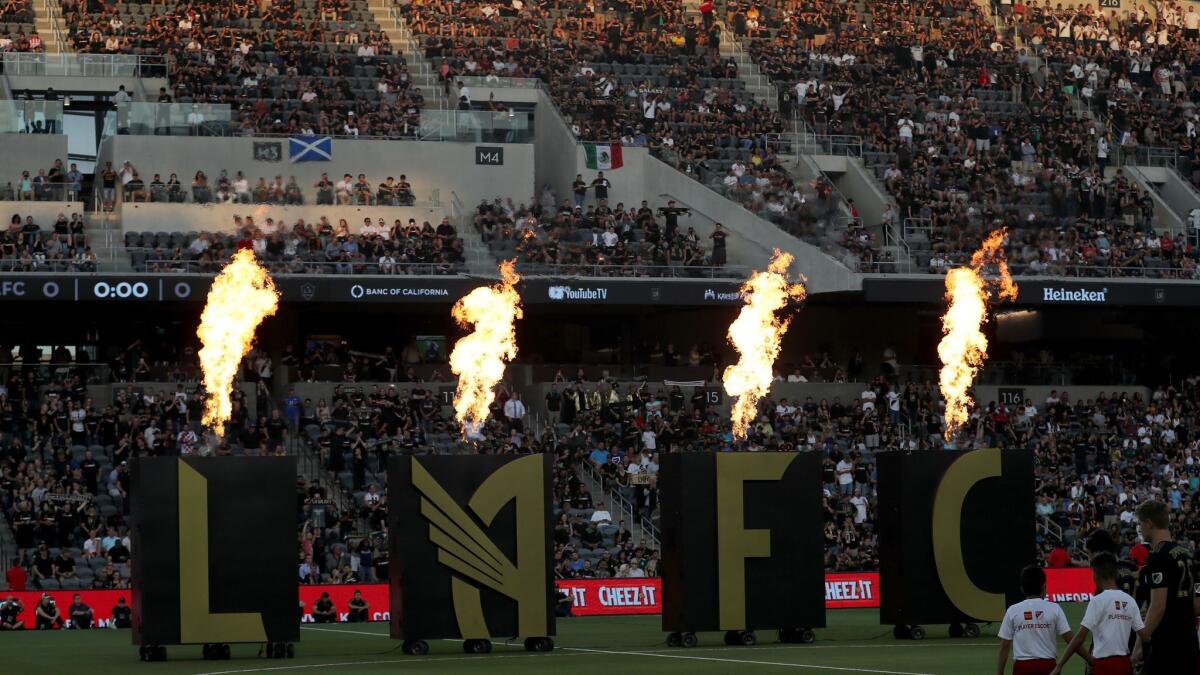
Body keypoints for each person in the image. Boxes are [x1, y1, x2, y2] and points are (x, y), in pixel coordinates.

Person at [1134, 500, 1199, 673]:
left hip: (1167, 645)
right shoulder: (1188, 555)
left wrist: (1140, 643)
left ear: (1149, 523)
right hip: (1190, 642)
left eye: (1140, 523)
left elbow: (1157, 606)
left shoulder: (1158, 557)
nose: (1140, 529)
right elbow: (1197, 605)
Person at [998, 566, 1077, 675]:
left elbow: (1005, 646)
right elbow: (1072, 641)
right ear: (1044, 586)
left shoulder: (1013, 610)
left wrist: (1000, 673)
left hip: (1022, 668)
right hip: (1048, 667)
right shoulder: (1055, 608)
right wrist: (1090, 659)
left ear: (1022, 588)